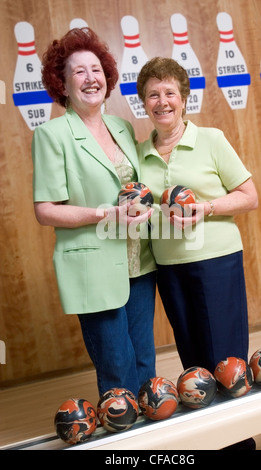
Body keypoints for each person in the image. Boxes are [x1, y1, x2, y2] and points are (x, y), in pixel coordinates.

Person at [136, 57, 258, 449]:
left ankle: (241, 442)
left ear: (184, 98)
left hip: (216, 262)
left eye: (170, 92)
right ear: (143, 102)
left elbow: (248, 197)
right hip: (169, 268)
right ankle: (213, 441)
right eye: (153, 94)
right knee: (194, 364)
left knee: (226, 361)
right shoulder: (140, 153)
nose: (162, 101)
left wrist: (204, 208)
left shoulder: (212, 139)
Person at [31, 28, 157, 398]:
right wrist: (107, 216)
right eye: (79, 71)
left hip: (140, 262)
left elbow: (136, 189)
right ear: (63, 84)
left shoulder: (122, 126)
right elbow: (45, 211)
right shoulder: (52, 135)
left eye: (96, 69)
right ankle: (121, 451)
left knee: (145, 365)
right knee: (118, 369)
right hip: (93, 266)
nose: (91, 78)